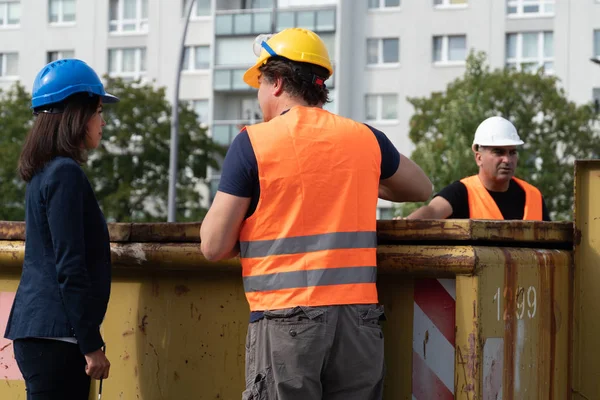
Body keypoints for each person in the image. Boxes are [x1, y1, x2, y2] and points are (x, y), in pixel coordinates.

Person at [200, 28, 432, 400]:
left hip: (285, 321)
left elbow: (213, 245)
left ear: (276, 82)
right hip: (359, 320)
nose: (259, 96)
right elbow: (421, 187)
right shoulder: (364, 138)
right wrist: (366, 176)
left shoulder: (254, 143)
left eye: (259, 83)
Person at [4, 59, 118, 399]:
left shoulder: (44, 173)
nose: (103, 121)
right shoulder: (65, 174)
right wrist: (91, 344)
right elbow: (69, 266)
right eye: (98, 110)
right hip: (57, 338)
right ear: (76, 115)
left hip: (40, 334)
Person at [406, 116, 551, 221]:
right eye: (498, 152)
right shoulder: (461, 192)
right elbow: (432, 211)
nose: (507, 160)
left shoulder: (533, 196)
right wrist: (405, 225)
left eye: (512, 152)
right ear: (479, 157)